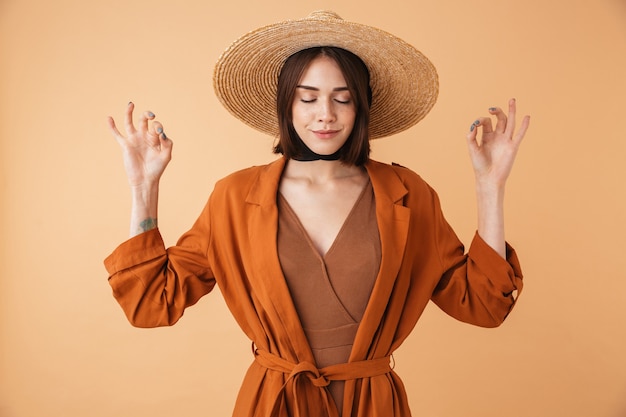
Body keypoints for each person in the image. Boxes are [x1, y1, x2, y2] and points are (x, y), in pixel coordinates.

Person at [105, 10, 530, 417]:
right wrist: (144, 187)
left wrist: (489, 188)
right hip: (275, 403)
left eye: (341, 99)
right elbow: (150, 304)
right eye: (308, 98)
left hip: (372, 406)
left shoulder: (409, 194)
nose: (325, 114)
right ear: (286, 106)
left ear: (360, 107)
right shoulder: (235, 197)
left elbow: (484, 305)